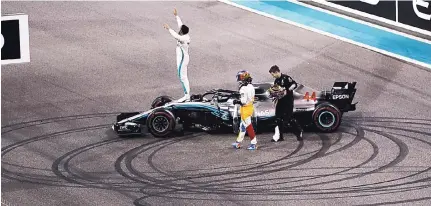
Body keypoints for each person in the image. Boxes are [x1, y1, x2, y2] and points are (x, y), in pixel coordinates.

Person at [268, 65, 303, 142]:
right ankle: (280, 136)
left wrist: (287, 89)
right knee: (278, 119)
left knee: (289, 119)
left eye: (273, 74)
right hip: (280, 101)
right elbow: (276, 91)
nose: (272, 76)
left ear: (276, 72)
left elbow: (294, 84)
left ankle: (299, 132)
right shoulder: (276, 81)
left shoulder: (286, 78)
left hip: (288, 101)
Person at [163, 8, 191, 102]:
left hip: (183, 59)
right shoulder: (185, 34)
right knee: (183, 76)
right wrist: (176, 16)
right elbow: (180, 24)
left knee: (182, 76)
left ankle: (187, 95)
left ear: (182, 32)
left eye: (180, 30)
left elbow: (176, 36)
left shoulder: (183, 38)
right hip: (183, 58)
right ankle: (187, 94)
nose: (179, 30)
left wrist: (169, 28)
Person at [232, 70, 258, 150]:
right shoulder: (251, 86)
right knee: (242, 126)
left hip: (245, 109)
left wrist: (236, 101)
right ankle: (238, 142)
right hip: (250, 107)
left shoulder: (243, 88)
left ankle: (253, 143)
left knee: (248, 126)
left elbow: (243, 101)